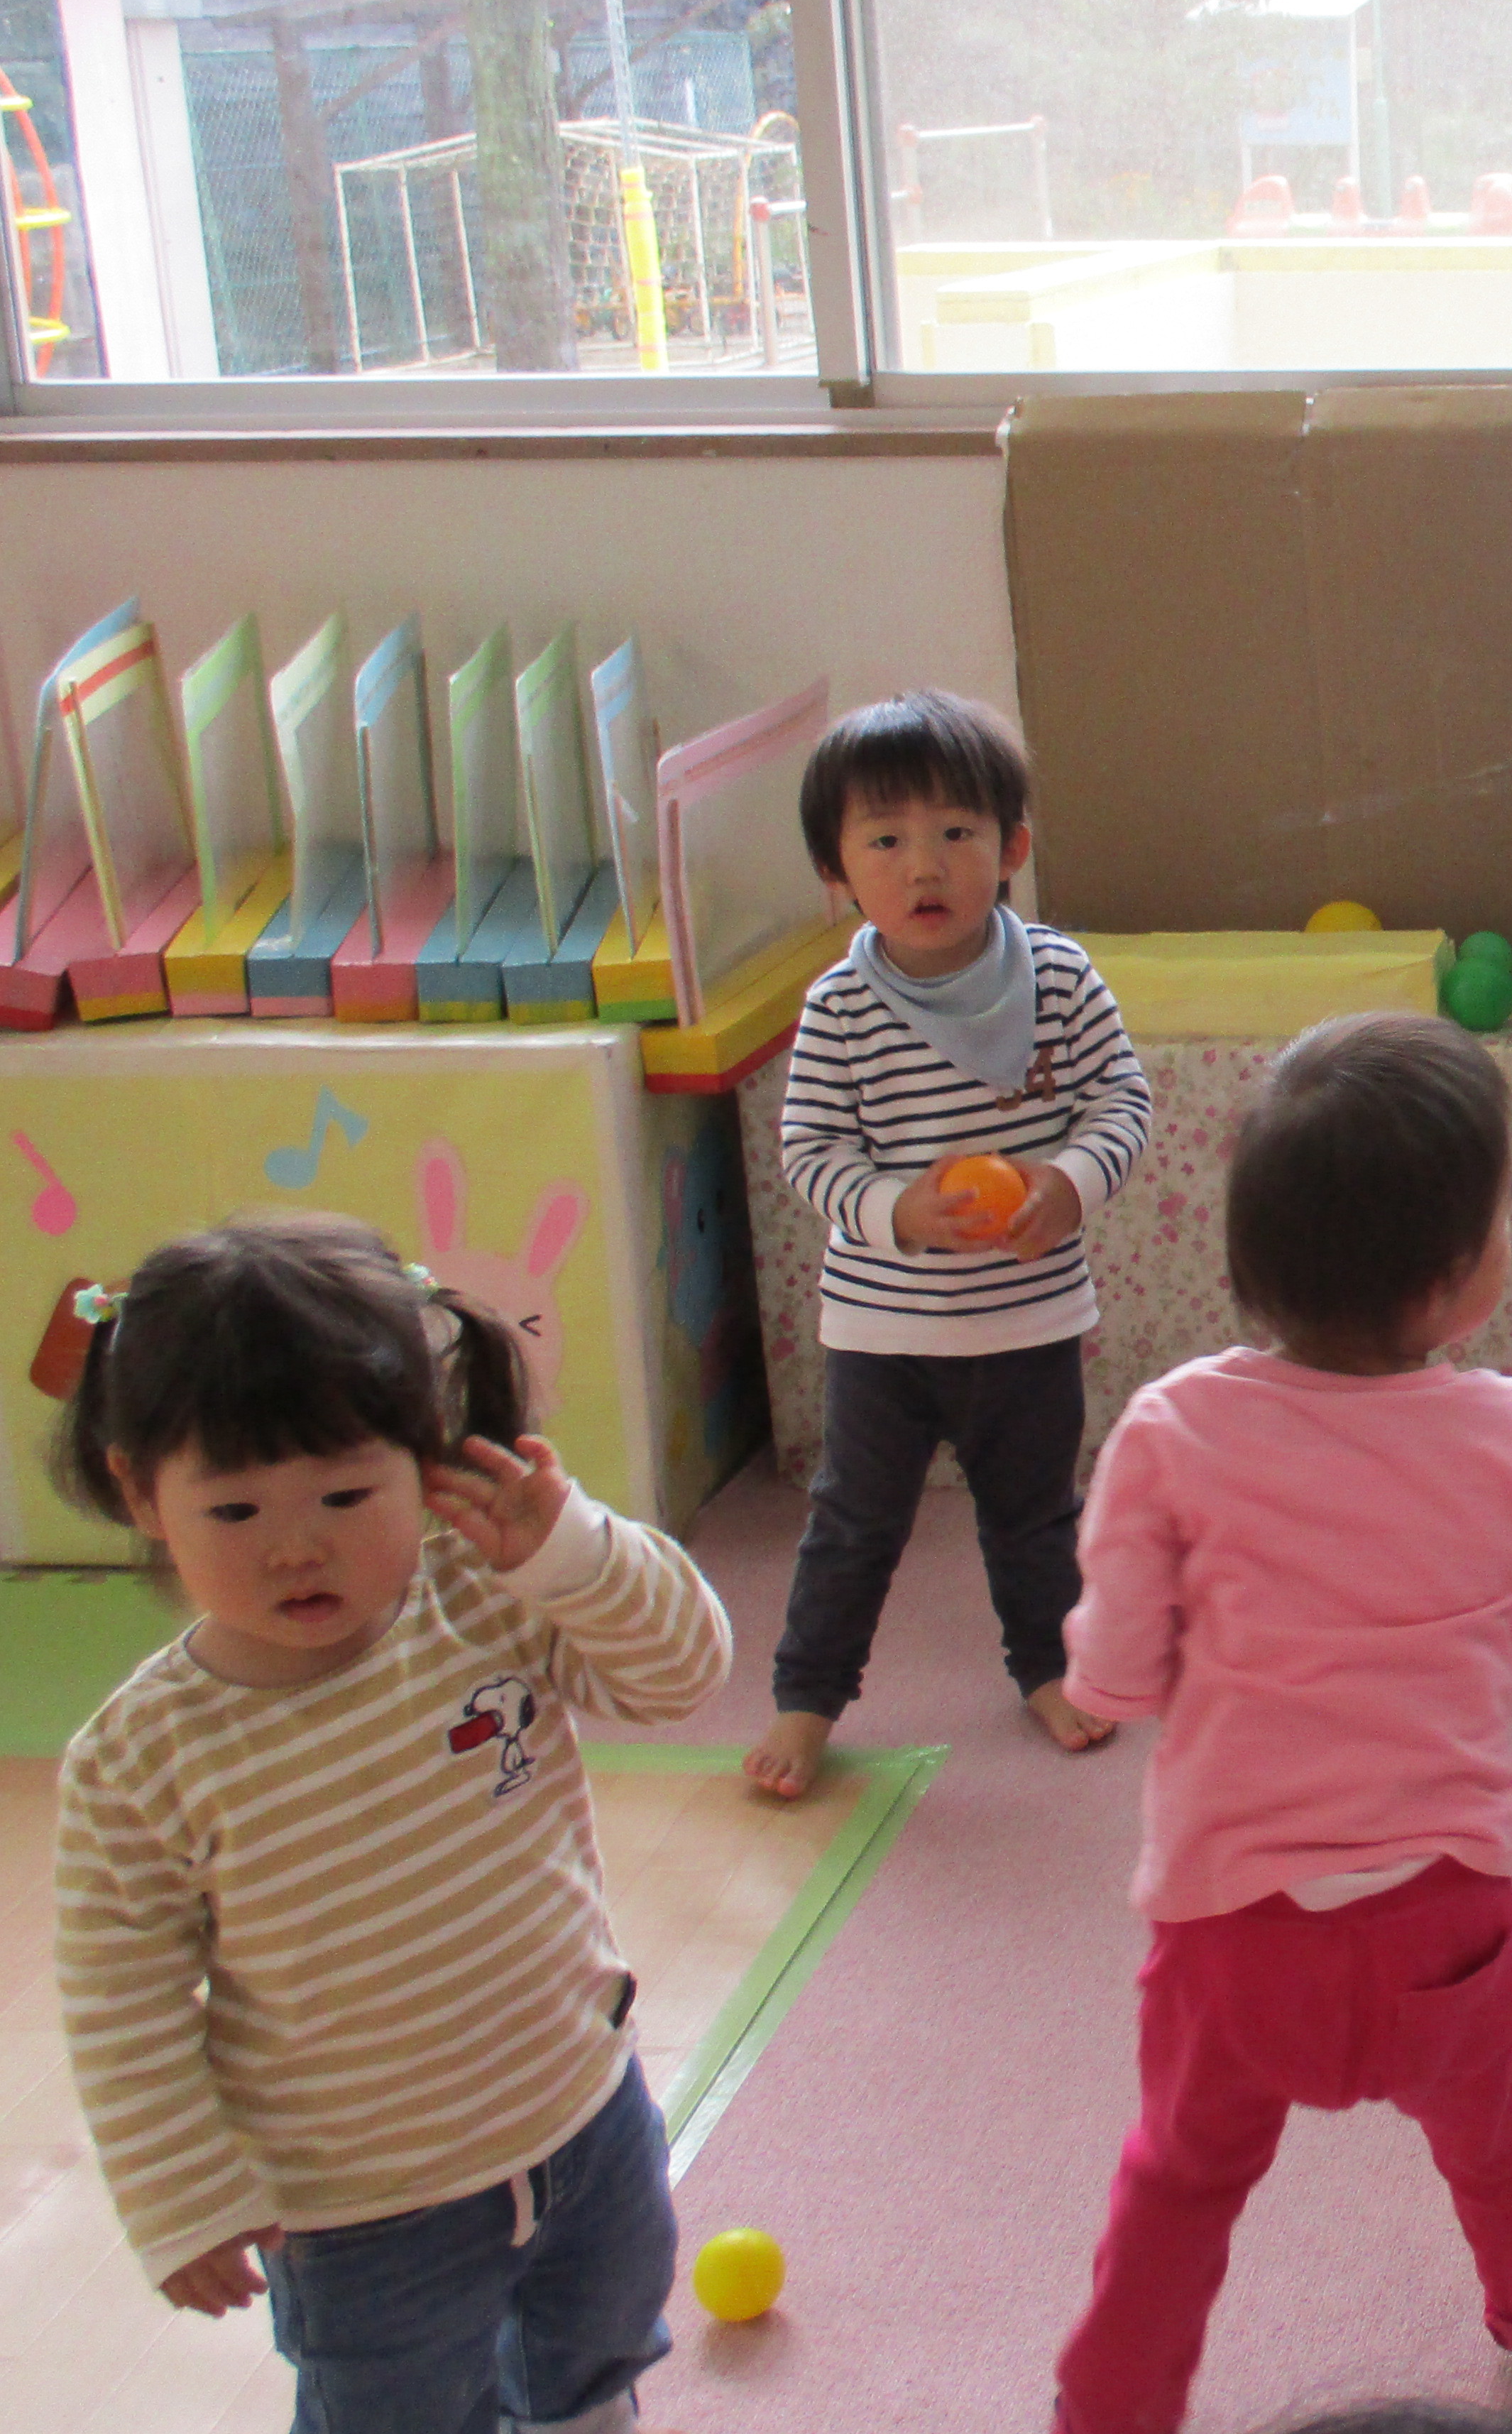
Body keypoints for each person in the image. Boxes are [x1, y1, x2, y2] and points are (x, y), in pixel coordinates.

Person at [50, 1216, 733, 2434]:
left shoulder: (482, 1592)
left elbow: (682, 1674)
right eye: (238, 1509)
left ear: (429, 1462)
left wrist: (572, 1553)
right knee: (398, 2406)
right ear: (139, 1493)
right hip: (361, 2205)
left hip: (581, 2104)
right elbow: (120, 1996)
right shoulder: (140, 1756)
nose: (299, 1542)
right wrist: (179, 2191)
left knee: (602, 2335)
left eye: (348, 1490)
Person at [1051, 1015, 1512, 2431]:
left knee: (1176, 2183)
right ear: (1451, 1287)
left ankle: (1109, 2409)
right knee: (1499, 2141)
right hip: (1445, 1917)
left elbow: (1110, 1680)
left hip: (1234, 1933)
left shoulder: (1171, 1430)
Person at [755, 689, 1154, 1797]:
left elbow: (1122, 1103)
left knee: (1036, 1515)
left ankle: (1049, 1666)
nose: (922, 866)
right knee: (853, 1524)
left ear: (1012, 847)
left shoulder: (1062, 979)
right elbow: (812, 1154)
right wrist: (897, 1210)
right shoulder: (839, 1008)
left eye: (955, 834)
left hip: (1028, 1322)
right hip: (884, 1332)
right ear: (837, 873)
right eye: (885, 841)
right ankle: (806, 1698)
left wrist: (1070, 1183)